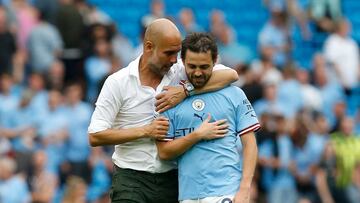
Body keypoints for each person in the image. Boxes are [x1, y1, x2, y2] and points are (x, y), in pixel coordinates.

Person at [88, 18, 238, 203]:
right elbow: (95, 135)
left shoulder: (179, 72)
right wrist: (146, 131)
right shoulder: (118, 82)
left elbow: (231, 75)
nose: (174, 60)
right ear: (149, 47)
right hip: (131, 179)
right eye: (168, 53)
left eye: (177, 53)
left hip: (173, 178)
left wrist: (185, 90)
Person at [156, 32, 259, 203]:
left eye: (204, 67)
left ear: (215, 61)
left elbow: (250, 144)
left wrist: (245, 189)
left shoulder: (234, 94)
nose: (197, 73)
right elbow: (164, 152)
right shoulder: (170, 99)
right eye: (192, 66)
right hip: (188, 195)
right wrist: (197, 135)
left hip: (227, 192)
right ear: (182, 61)